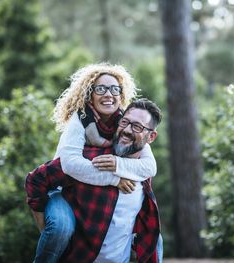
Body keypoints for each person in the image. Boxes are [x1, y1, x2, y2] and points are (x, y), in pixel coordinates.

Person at [25, 63, 162, 262]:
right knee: (61, 228)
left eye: (115, 89)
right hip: (61, 185)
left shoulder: (126, 124)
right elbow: (68, 166)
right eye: (101, 89)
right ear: (90, 94)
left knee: (156, 237)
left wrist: (117, 163)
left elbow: (150, 166)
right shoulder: (80, 122)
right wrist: (115, 179)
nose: (108, 94)